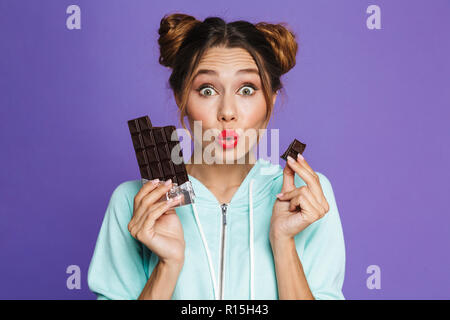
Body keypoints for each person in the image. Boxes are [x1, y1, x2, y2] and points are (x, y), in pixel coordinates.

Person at [87, 13, 345, 300]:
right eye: (207, 90)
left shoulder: (305, 198)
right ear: (181, 98)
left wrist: (283, 242)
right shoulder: (134, 201)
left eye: (247, 89)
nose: (227, 111)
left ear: (270, 100)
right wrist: (167, 265)